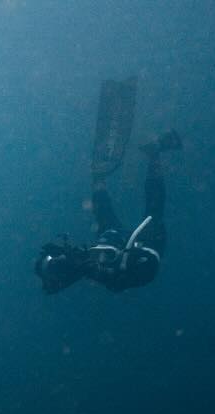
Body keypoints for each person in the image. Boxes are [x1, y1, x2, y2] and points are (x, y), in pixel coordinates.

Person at [36, 78, 181, 294]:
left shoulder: (82, 261)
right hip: (141, 258)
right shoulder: (100, 269)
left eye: (54, 263)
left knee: (104, 217)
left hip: (118, 245)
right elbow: (113, 274)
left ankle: (102, 179)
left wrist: (98, 179)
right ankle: (155, 153)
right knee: (153, 213)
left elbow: (98, 236)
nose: (59, 264)